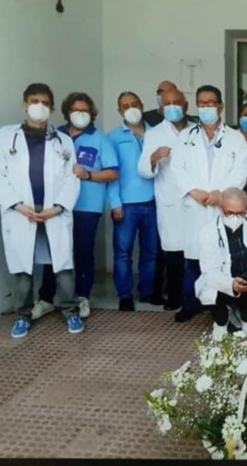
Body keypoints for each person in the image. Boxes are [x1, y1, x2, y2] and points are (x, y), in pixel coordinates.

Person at [0, 83, 83, 338]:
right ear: (25, 104)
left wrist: (58, 207)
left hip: (54, 212)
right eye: (34, 101)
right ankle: (23, 316)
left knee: (62, 266)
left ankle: (70, 312)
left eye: (45, 102)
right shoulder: (6, 136)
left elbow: (73, 178)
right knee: (22, 267)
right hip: (20, 211)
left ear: (51, 107)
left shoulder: (63, 140)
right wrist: (17, 205)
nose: (39, 106)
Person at [36, 92, 119, 320]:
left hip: (87, 207)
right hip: (55, 205)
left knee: (82, 252)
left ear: (91, 113)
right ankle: (46, 298)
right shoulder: (53, 136)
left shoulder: (100, 139)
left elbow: (113, 173)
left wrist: (88, 174)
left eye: (85, 110)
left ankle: (82, 296)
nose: (80, 114)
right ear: (66, 113)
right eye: (75, 110)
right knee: (53, 251)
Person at [170, 85, 247, 323]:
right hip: (196, 205)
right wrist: (193, 191)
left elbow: (240, 171)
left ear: (220, 106)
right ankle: (191, 303)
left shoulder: (235, 138)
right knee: (193, 259)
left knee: (224, 257)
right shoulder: (186, 137)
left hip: (222, 206)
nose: (206, 107)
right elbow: (177, 168)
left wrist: (220, 194)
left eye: (210, 103)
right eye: (201, 103)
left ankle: (221, 306)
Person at [106, 91, 162, 311]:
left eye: (134, 103)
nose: (131, 108)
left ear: (142, 104)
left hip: (154, 202)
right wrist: (115, 203)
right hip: (126, 205)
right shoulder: (112, 137)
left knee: (151, 252)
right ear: (119, 111)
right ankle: (125, 294)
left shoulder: (156, 133)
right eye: (125, 105)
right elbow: (111, 174)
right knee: (123, 253)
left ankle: (147, 292)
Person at [138, 87, 190, 316]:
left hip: (195, 199)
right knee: (173, 252)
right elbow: (143, 170)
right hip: (170, 200)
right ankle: (176, 296)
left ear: (185, 105)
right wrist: (154, 156)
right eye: (166, 103)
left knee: (196, 251)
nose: (172, 107)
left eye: (176, 102)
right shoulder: (154, 134)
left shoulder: (196, 130)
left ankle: (195, 298)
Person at [196, 187, 247, 342]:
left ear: (246, 209)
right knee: (212, 291)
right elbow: (209, 271)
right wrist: (230, 283)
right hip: (222, 279)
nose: (235, 217)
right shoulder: (208, 232)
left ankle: (246, 319)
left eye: (240, 213)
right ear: (221, 209)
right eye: (230, 213)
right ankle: (221, 322)